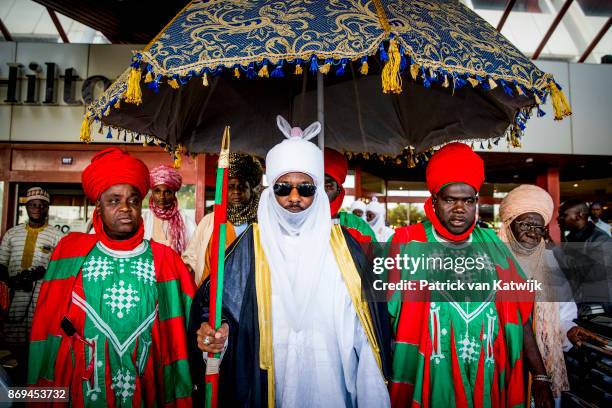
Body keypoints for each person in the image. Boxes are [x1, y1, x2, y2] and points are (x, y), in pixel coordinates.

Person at [189, 116, 391, 407]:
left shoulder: (345, 248)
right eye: (284, 188)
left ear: (318, 192)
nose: (294, 197)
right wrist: (218, 334)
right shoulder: (250, 246)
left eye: (305, 188)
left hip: (329, 382)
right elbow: (221, 308)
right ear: (271, 192)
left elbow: (366, 332)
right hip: (268, 381)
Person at [28, 148, 195, 406]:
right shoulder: (71, 252)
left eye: (133, 200)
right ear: (99, 205)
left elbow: (193, 322)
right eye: (114, 200)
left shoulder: (165, 259)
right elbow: (47, 327)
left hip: (149, 385)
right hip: (82, 387)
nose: (125, 208)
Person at [388, 142, 537, 408]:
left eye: (468, 200)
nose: (460, 209)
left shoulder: (492, 244)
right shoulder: (408, 241)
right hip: (429, 377)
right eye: (450, 199)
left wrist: (541, 376)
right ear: (434, 201)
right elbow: (382, 320)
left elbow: (520, 314)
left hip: (488, 376)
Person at [498, 185, 605, 408]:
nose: (532, 232)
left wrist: (569, 329)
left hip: (545, 366)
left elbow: (563, 311)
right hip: (502, 364)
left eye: (539, 227)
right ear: (509, 224)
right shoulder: (491, 260)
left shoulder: (548, 260)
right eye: (525, 224)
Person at [0, 187, 63, 384]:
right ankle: (14, 386)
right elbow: (1, 264)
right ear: (26, 207)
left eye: (42, 205)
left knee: (37, 339)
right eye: (33, 204)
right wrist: (12, 281)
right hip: (14, 295)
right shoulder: (12, 234)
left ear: (48, 208)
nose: (37, 208)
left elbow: (60, 267)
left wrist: (45, 272)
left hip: (40, 296)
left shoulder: (56, 235)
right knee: (12, 341)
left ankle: (33, 385)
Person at [182, 153, 263, 286]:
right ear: (223, 190)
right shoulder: (208, 221)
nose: (236, 191)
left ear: (251, 190)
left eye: (242, 186)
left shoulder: (261, 221)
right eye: (230, 187)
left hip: (251, 293)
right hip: (214, 296)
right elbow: (191, 258)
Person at [555, 199, 612, 311]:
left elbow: (593, 273)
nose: (559, 218)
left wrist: (556, 251)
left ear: (579, 215)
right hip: (579, 301)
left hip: (599, 304)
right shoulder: (572, 237)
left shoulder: (600, 239)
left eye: (563, 215)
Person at [324, 147, 376, 242]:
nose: (321, 192)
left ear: (339, 191)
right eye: (313, 185)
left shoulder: (357, 226)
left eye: (328, 186)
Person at [143, 164, 196, 254]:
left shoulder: (186, 221)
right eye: (157, 191)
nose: (162, 197)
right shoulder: (143, 220)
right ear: (152, 193)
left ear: (174, 193)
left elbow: (194, 253)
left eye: (167, 192)